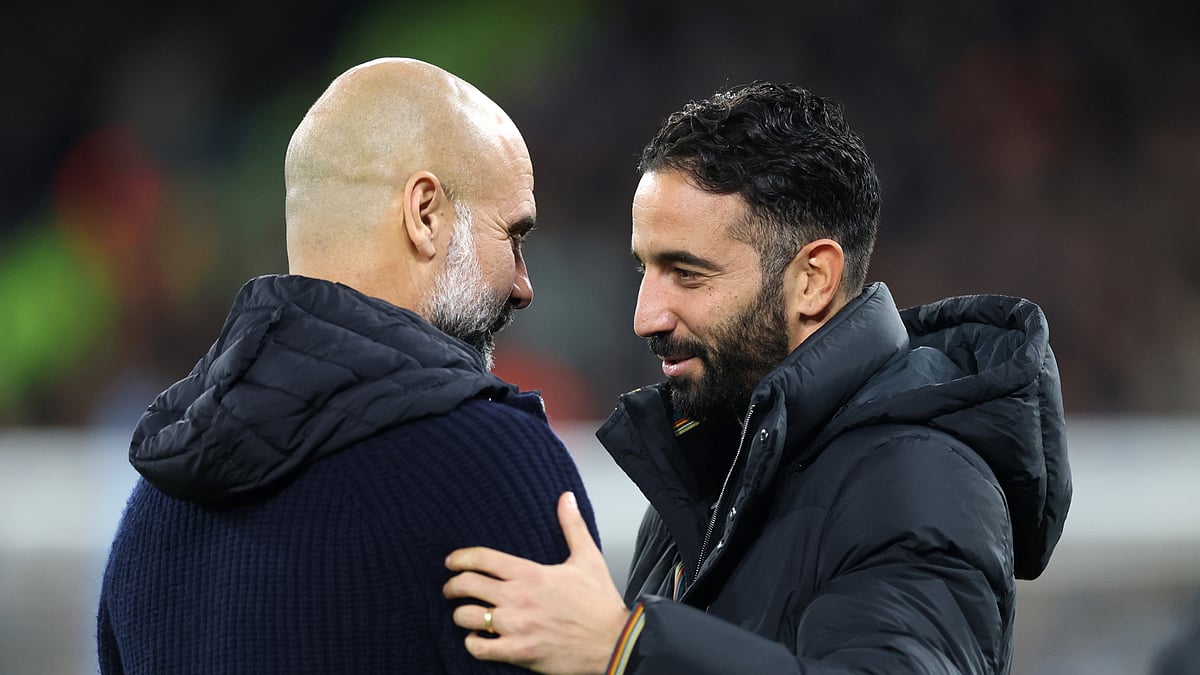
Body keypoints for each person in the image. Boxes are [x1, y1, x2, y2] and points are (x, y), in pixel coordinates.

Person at [443, 81, 1071, 674]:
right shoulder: (713, 461)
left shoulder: (919, 475)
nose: (645, 316)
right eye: (645, 269)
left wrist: (626, 649)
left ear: (812, 280)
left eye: (687, 274)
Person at [97, 57, 598, 674]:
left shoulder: (151, 517)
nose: (523, 285)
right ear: (424, 214)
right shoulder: (493, 460)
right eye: (513, 236)